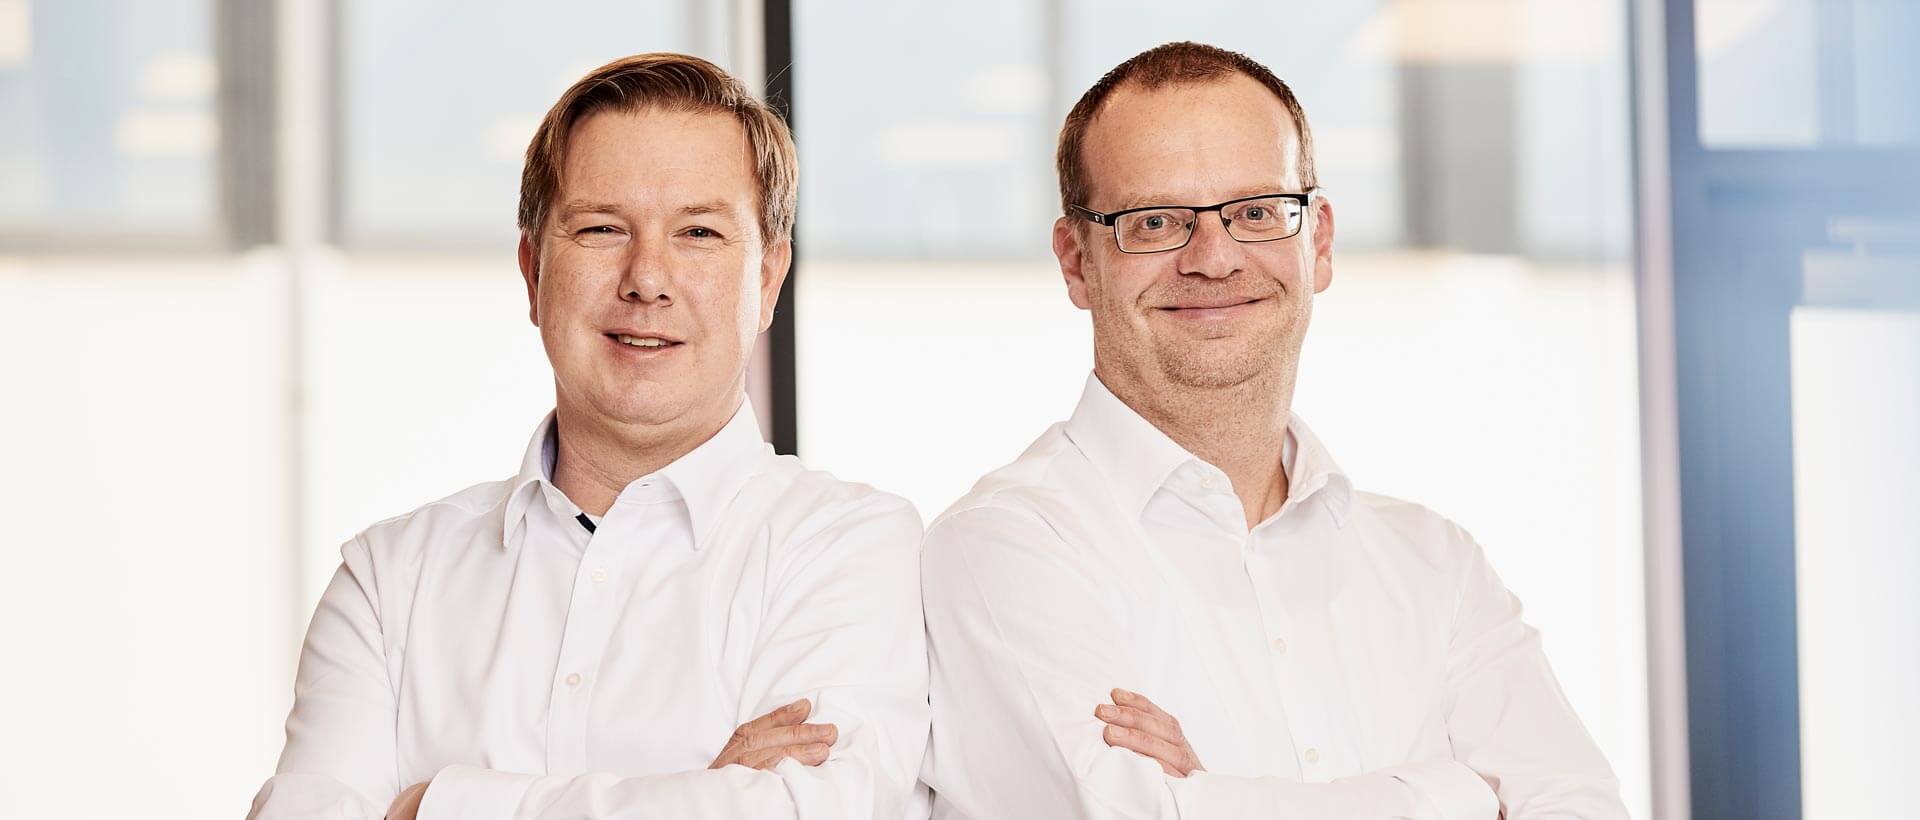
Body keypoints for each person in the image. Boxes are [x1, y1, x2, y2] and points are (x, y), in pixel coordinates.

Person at [919, 41, 1628, 820]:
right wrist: (1457, 796)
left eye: (1257, 212)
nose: (1213, 259)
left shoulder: (1436, 566)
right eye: (1154, 221)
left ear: (1318, 241)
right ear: (1076, 262)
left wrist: (1209, 797)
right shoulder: (1000, 550)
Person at [248, 53, 927, 820]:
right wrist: (708, 792)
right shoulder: (390, 581)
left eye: (699, 232)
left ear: (767, 279)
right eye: (602, 228)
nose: (647, 279)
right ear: (533, 271)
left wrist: (431, 804)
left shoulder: (850, 549)